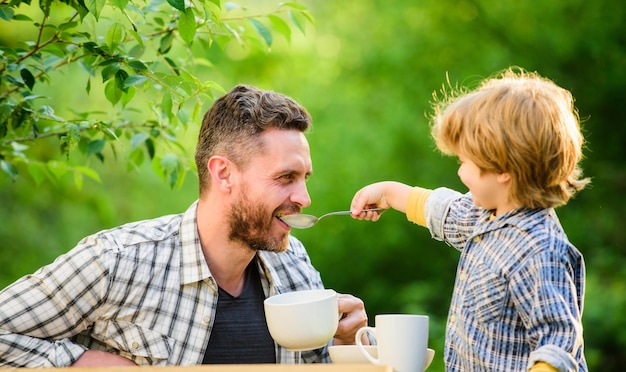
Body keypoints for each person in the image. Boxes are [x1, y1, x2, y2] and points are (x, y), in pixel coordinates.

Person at [0, 84, 369, 367]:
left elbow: (317, 366)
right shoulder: (117, 262)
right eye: (286, 177)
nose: (304, 197)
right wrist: (91, 365)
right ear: (224, 173)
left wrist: (346, 348)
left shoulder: (294, 266)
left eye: (305, 177)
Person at [350, 68, 589, 372]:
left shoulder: (540, 250)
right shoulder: (485, 216)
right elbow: (442, 210)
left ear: (503, 169)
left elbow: (558, 343)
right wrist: (388, 193)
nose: (460, 173)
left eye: (465, 162)